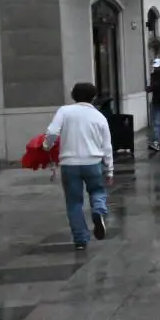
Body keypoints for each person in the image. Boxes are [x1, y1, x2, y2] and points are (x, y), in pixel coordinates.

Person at [44, 82, 113, 250]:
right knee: (97, 191)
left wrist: (47, 145)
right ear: (94, 97)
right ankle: (98, 210)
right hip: (93, 162)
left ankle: (81, 239)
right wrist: (109, 169)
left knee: (74, 202)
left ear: (73, 96)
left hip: (69, 163)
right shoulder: (99, 116)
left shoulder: (65, 111)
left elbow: (53, 132)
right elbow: (107, 146)